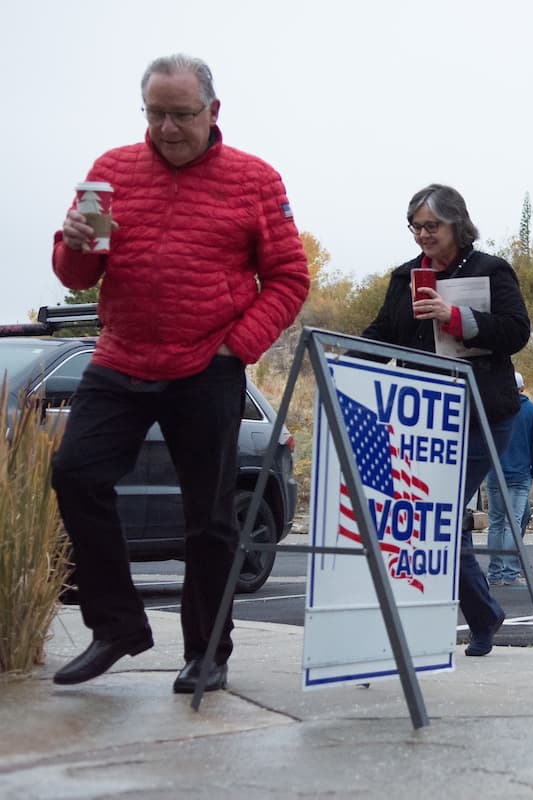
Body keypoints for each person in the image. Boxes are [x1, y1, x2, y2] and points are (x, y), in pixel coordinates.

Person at [49, 54, 310, 691]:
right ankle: (116, 626)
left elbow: (288, 278)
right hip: (122, 355)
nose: (166, 127)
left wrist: (237, 347)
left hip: (206, 365)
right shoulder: (111, 171)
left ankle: (207, 655)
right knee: (76, 474)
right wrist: (73, 243)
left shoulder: (255, 179)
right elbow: (78, 277)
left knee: (210, 518)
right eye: (156, 113)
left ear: (212, 112)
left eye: (181, 115)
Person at [361, 183, 530, 656]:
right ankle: (482, 614)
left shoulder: (490, 270)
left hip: (482, 413)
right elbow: (383, 335)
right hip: (422, 416)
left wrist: (455, 316)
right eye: (415, 227)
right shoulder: (403, 277)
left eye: (431, 226)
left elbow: (517, 333)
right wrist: (343, 355)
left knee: (435, 514)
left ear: (457, 223)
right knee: (433, 519)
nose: (422, 235)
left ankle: (475, 616)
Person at [485, 372, 533, 586]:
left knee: (496, 524)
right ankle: (510, 573)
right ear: (523, 388)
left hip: (494, 472)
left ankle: (494, 573)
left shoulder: (494, 410)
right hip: (519, 474)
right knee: (513, 523)